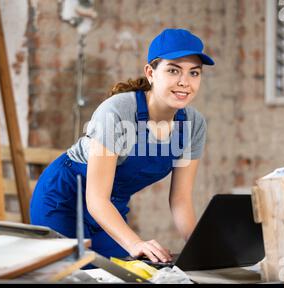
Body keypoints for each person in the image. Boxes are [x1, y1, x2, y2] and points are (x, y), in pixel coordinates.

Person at [30, 28, 215, 264]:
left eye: (194, 73)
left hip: (110, 206)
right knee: (73, 275)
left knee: (122, 275)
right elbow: (96, 198)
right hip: (64, 199)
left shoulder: (193, 124)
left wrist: (202, 249)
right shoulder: (117, 112)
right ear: (150, 73)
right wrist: (136, 243)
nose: (184, 82)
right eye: (173, 70)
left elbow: (180, 199)